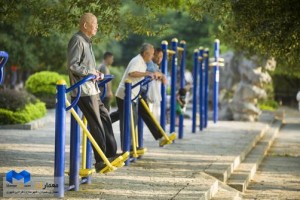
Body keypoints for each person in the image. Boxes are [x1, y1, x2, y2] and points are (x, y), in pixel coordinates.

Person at [67, 13, 119, 172]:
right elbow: (73, 65)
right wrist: (91, 72)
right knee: (96, 122)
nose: (97, 26)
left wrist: (96, 73)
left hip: (92, 89)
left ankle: (110, 153)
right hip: (82, 92)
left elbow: (85, 67)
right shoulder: (77, 40)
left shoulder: (87, 42)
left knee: (105, 117)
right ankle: (100, 160)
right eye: (95, 23)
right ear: (85, 25)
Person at [110, 43, 165, 148]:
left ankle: (130, 146)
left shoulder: (143, 62)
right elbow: (132, 73)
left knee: (131, 120)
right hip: (125, 95)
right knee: (128, 121)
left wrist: (149, 75)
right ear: (145, 53)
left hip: (132, 95)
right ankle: (127, 147)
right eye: (152, 54)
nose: (153, 57)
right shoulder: (137, 60)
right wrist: (147, 74)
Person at [145, 48, 167, 121]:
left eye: (161, 57)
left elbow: (159, 75)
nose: (159, 59)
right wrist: (162, 76)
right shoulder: (150, 63)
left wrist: (161, 76)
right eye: (158, 56)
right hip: (144, 93)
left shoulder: (155, 65)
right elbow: (154, 73)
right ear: (153, 55)